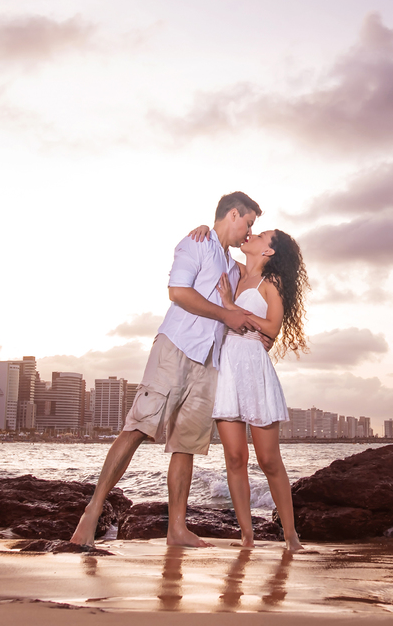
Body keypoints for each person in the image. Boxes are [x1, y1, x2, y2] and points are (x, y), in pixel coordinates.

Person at [69, 191, 262, 548]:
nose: (249, 233)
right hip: (175, 348)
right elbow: (177, 291)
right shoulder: (196, 242)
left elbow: (253, 279)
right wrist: (225, 314)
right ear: (233, 214)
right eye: (248, 223)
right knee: (138, 427)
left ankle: (177, 528)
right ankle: (92, 512)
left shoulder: (232, 266)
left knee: (185, 445)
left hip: (209, 360)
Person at [194, 225, 309, 551]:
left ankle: (291, 537)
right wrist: (208, 227)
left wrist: (230, 305)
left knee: (269, 459)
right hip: (228, 368)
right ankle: (246, 536)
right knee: (234, 457)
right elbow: (216, 246)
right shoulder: (237, 271)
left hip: (254, 371)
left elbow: (273, 327)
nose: (252, 235)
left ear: (269, 251)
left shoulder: (270, 283)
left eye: (260, 236)